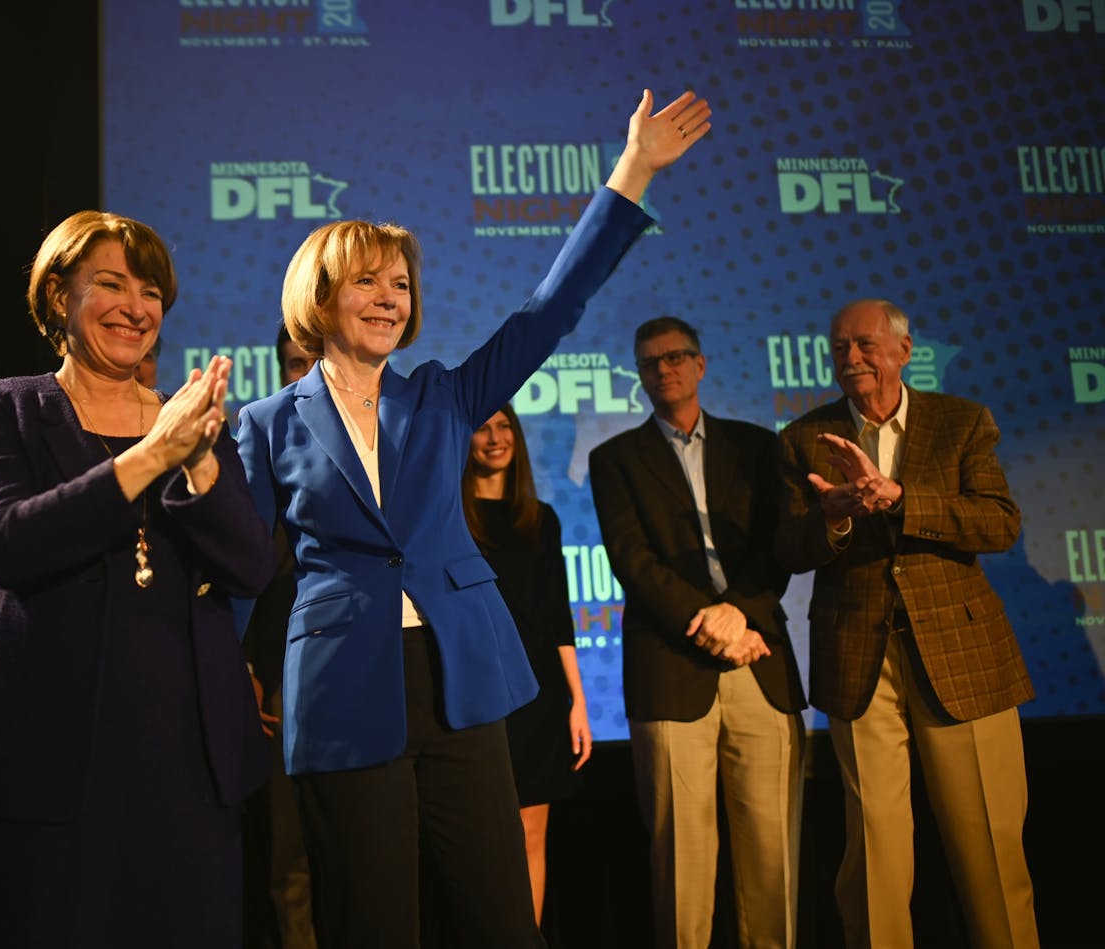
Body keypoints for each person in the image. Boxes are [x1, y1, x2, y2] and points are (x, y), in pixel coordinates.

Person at [236, 87, 711, 949]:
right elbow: (241, 565)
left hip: (461, 679)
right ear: (318, 294)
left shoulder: (444, 398)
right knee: (371, 921)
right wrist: (233, 668)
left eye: (401, 284)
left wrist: (632, 170)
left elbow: (548, 310)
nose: (389, 297)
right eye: (366, 281)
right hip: (343, 684)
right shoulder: (267, 423)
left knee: (501, 920)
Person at [0, 210, 275, 948]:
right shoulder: (1, 407)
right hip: (37, 759)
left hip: (186, 764)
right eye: (109, 284)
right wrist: (150, 454)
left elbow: (251, 564)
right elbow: (1, 542)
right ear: (58, 298)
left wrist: (198, 459)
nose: (135, 307)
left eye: (150, 291)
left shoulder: (196, 422)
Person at [775, 299, 1039, 949]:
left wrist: (898, 500)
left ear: (904, 350)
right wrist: (833, 516)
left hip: (962, 652)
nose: (852, 358)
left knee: (990, 848)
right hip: (857, 657)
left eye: (865, 345)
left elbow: (998, 522)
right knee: (873, 853)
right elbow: (786, 548)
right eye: (840, 348)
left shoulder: (960, 423)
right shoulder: (804, 438)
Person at [588, 316, 806, 949]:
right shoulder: (615, 460)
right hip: (671, 668)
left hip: (759, 661)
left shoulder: (760, 447)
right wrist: (713, 625)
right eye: (651, 362)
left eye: (677, 356)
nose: (665, 369)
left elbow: (779, 546)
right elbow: (633, 561)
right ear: (639, 375)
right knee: (681, 861)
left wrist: (739, 613)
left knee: (775, 858)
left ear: (701, 364)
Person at [461, 403, 592, 927]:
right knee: (477, 841)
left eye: (505, 426)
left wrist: (579, 702)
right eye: (483, 428)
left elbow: (557, 619)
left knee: (532, 835)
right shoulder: (447, 518)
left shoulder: (542, 519)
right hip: (474, 695)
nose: (496, 438)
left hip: (539, 699)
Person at [242, 323, 319, 949]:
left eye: (313, 360)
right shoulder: (258, 454)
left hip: (370, 679)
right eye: (294, 364)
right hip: (280, 689)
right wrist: (241, 664)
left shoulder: (387, 448)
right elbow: (236, 579)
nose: (306, 375)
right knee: (290, 857)